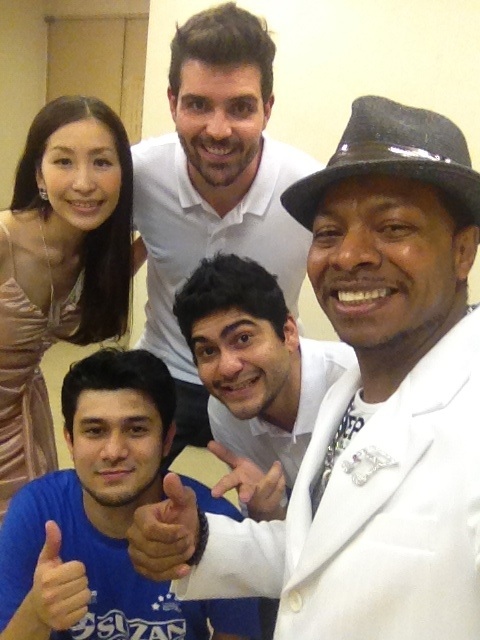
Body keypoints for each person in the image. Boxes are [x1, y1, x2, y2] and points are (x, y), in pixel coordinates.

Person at [126, 95, 480, 639]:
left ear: (463, 251)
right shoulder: (350, 395)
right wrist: (200, 540)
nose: (349, 256)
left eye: (393, 227)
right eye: (329, 233)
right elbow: (323, 550)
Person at [132, 2, 322, 467]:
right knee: (128, 495)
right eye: (198, 105)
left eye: (240, 108)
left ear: (267, 109)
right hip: (165, 371)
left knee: (286, 503)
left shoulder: (310, 190)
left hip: (266, 375)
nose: (218, 131)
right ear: (173, 103)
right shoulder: (138, 174)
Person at [0, 348, 261, 640]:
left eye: (136, 430)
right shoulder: (36, 512)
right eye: (95, 431)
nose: (114, 452)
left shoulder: (214, 524)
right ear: (70, 441)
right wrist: (36, 614)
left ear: (167, 439)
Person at [0, 95, 133, 521]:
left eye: (101, 162)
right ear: (39, 174)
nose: (84, 183)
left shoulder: (101, 256)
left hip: (22, 426)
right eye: (63, 162)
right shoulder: (4, 240)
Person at [173, 252, 355, 521]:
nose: (227, 368)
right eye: (208, 351)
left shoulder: (357, 380)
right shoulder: (224, 412)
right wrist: (266, 511)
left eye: (243, 338)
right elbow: (283, 529)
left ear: (288, 333)